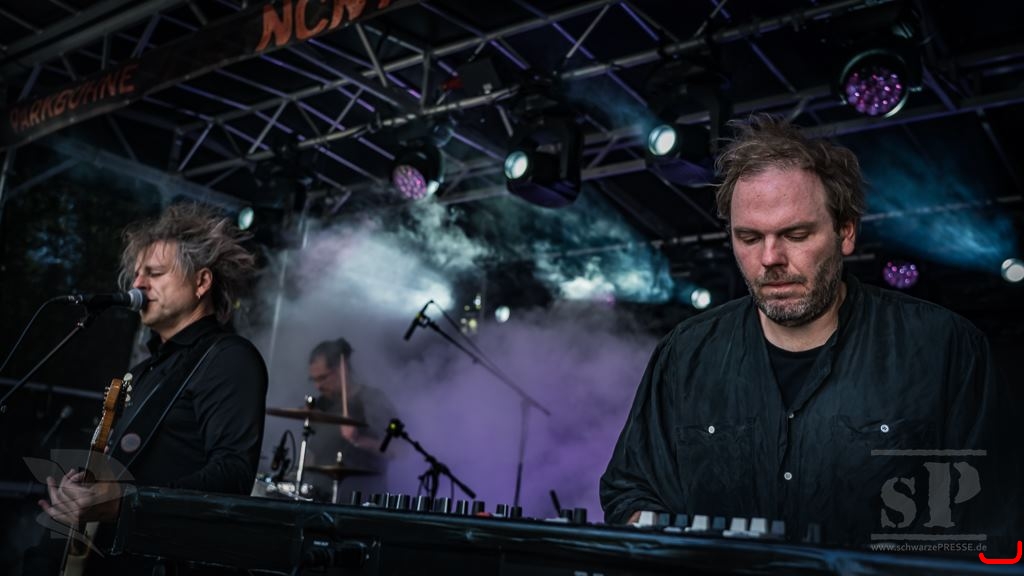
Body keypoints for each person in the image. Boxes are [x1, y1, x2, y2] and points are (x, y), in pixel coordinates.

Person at [600, 115, 1015, 552]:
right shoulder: (685, 353)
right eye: (749, 238)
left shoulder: (943, 347)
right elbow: (630, 490)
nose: (770, 258)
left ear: (845, 231)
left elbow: (991, 524)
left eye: (796, 234)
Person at [34, 203, 268, 574]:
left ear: (201, 282)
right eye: (137, 274)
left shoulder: (228, 358)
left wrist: (125, 503)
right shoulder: (143, 372)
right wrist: (83, 489)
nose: (138, 285)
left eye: (155, 273)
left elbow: (233, 473)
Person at [304, 337, 396, 499]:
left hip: (361, 501)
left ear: (342, 369)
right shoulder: (319, 406)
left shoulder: (372, 400)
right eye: (314, 380)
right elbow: (313, 455)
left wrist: (359, 440)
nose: (318, 386)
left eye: (323, 378)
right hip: (320, 499)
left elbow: (398, 450)